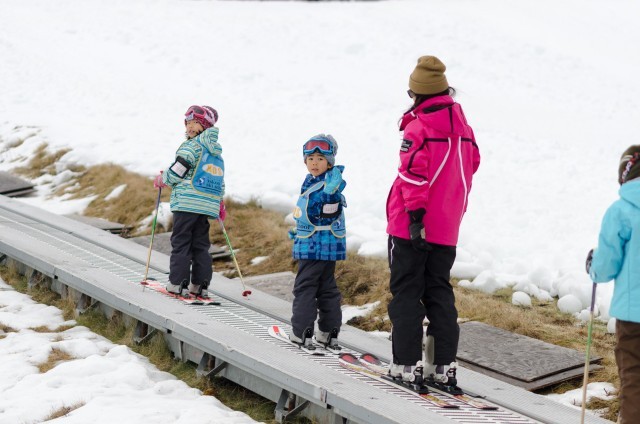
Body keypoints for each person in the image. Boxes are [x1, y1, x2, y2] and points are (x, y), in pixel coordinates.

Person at [385, 56, 480, 389]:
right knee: (440, 292)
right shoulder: (464, 129)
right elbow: (473, 163)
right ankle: (443, 367)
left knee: (407, 292)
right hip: (447, 227)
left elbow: (412, 175)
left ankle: (405, 365)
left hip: (412, 226)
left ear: (416, 93)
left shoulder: (419, 127)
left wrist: (415, 218)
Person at [586, 145, 640, 424]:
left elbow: (606, 267)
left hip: (634, 315)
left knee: (634, 379)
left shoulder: (621, 210)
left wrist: (592, 267)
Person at [154, 105, 226, 299]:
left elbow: (179, 169)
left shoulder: (191, 147)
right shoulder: (216, 153)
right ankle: (200, 285)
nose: (191, 127)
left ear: (205, 127)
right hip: (206, 206)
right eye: (189, 123)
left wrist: (163, 180)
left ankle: (178, 283)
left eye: (197, 123)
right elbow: (219, 180)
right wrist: (219, 203)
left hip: (187, 204)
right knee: (200, 245)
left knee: (181, 242)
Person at [288, 134, 346, 351]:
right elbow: (312, 214)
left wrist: (330, 194)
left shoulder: (330, 185)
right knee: (327, 288)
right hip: (326, 245)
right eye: (310, 158)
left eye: (321, 159)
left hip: (314, 247)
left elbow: (327, 210)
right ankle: (329, 333)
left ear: (329, 162)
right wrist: (299, 230)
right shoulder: (314, 182)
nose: (314, 163)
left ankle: (301, 332)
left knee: (305, 288)